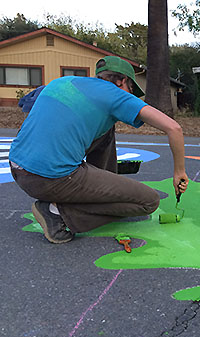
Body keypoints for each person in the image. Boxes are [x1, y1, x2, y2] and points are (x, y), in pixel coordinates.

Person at [9, 56, 189, 244]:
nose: (130, 95)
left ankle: (95, 185)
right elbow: (173, 128)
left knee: (107, 126)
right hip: (52, 178)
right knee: (149, 201)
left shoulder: (63, 82)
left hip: (18, 169)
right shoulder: (114, 94)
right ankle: (57, 215)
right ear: (122, 81)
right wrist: (179, 171)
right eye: (131, 90)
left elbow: (30, 107)